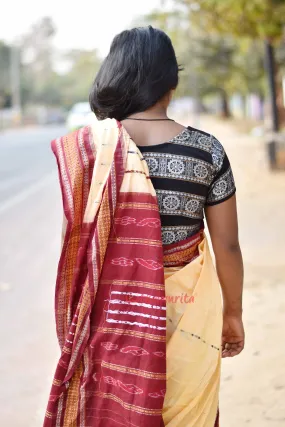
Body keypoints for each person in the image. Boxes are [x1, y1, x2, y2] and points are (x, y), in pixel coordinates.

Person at [44, 26, 244, 427]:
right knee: (188, 410)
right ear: (171, 82)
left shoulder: (91, 150)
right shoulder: (206, 151)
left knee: (118, 411)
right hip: (188, 315)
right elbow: (227, 246)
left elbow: (85, 242)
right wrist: (233, 314)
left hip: (115, 313)